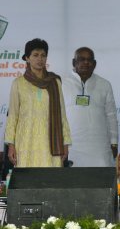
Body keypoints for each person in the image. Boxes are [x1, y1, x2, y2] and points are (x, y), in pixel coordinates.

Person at [4, 38, 71, 167]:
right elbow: (13, 115)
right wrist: (11, 145)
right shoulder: (19, 83)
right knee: (26, 180)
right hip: (25, 141)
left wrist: (65, 143)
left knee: (50, 182)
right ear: (27, 58)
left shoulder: (54, 82)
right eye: (35, 55)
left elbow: (62, 114)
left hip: (51, 143)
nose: (40, 59)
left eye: (43, 55)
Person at [62, 47, 118, 167]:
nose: (86, 63)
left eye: (89, 60)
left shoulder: (104, 84)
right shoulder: (61, 83)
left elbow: (111, 116)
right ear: (74, 62)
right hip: (72, 147)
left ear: (95, 64)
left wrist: (114, 143)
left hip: (99, 148)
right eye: (81, 59)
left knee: (100, 182)